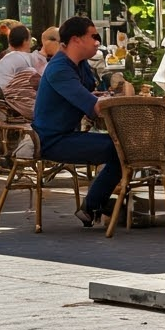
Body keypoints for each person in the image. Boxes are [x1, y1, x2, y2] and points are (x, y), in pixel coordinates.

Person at [32, 16, 122, 228]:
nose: (97, 42)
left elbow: (89, 95)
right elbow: (94, 107)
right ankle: (92, 207)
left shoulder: (79, 64)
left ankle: (97, 206)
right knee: (121, 149)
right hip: (52, 140)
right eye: (93, 36)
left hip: (68, 135)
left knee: (122, 147)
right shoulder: (60, 69)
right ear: (76, 40)